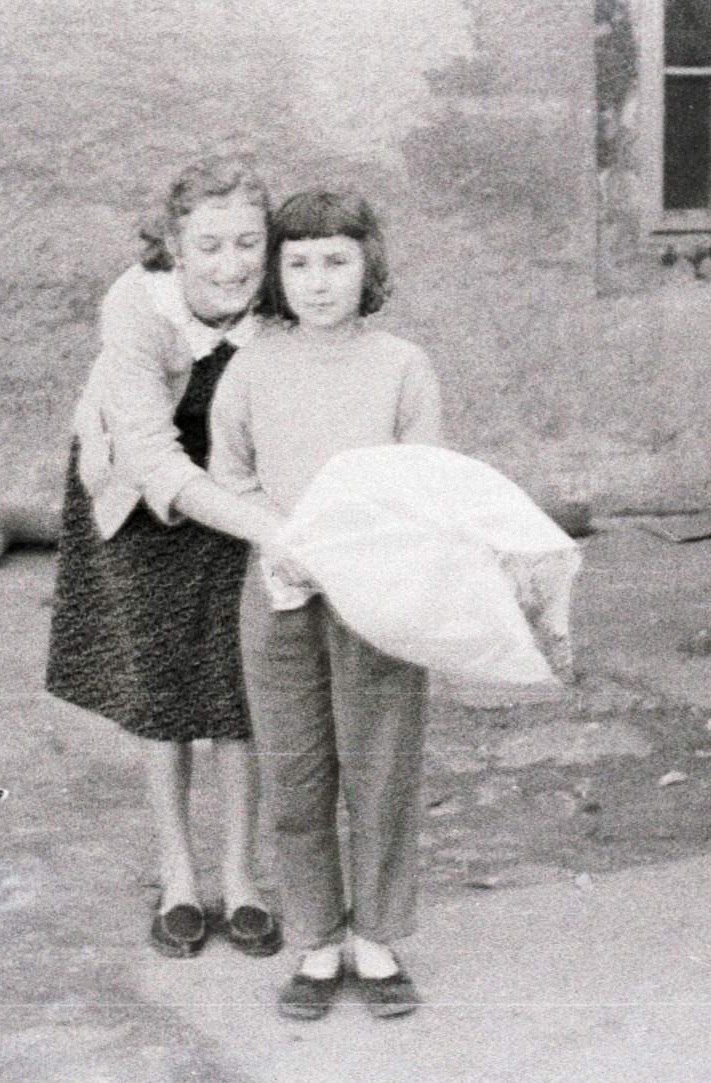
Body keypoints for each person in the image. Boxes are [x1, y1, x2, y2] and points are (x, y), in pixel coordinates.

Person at [45, 156, 288, 960]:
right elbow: (151, 460)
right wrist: (268, 528)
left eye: (247, 242)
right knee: (162, 687)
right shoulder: (134, 309)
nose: (232, 265)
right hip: (140, 495)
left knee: (237, 679)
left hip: (241, 484)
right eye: (209, 246)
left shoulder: (280, 299)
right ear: (174, 249)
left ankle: (242, 875)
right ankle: (178, 872)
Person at [208, 190, 443, 1020]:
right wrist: (282, 541)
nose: (316, 282)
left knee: (378, 766)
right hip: (278, 589)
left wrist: (363, 549)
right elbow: (226, 472)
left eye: (335, 261)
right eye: (297, 263)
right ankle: (315, 938)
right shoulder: (253, 364)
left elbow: (424, 480)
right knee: (296, 766)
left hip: (377, 591)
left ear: (367, 265)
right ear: (275, 272)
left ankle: (377, 938)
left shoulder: (400, 365)